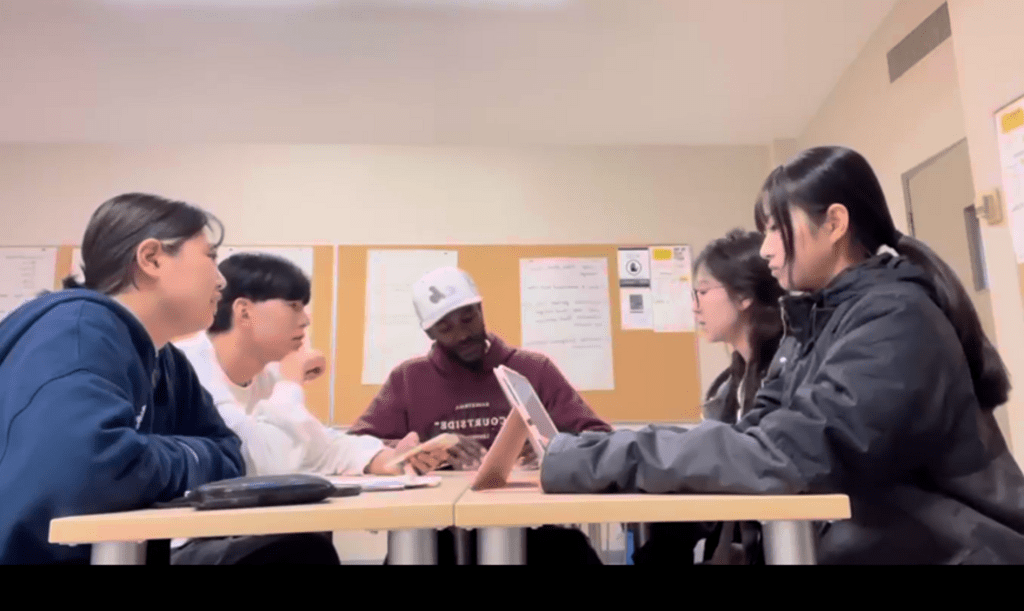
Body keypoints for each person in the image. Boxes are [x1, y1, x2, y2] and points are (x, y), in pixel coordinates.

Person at [540, 146, 1024, 564]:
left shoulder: (895, 320)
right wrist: (597, 452)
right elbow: (749, 438)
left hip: (948, 553)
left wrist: (596, 458)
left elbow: (785, 458)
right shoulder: (814, 320)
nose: (767, 250)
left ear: (834, 223)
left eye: (776, 229)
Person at [0, 193, 245, 564]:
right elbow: (89, 466)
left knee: (292, 550)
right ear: (151, 259)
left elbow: (229, 455)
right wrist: (184, 455)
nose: (222, 279)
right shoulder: (74, 332)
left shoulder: (167, 362)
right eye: (210, 256)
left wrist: (144, 455)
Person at [169, 253, 449, 565]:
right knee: (305, 550)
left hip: (241, 530)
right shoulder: (187, 369)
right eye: (293, 305)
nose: (305, 319)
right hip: (183, 541)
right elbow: (261, 465)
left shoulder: (269, 377)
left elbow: (320, 446)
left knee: (310, 542)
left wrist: (385, 459)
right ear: (244, 312)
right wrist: (290, 384)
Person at [350, 266, 612, 564]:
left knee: (571, 551)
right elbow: (355, 449)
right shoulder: (408, 379)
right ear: (429, 333)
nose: (463, 334)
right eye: (446, 328)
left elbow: (600, 437)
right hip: (436, 534)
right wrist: (412, 452)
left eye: (468, 318)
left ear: (481, 308)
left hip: (530, 527)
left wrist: (552, 448)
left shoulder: (533, 369)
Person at [632, 229, 784, 566]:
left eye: (702, 292)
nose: (694, 306)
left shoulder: (783, 373)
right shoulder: (734, 384)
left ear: (744, 296)